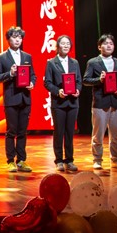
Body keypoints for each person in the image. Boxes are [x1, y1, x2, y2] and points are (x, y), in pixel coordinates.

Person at [0, 26, 36, 173]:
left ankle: (21, 160)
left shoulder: (27, 57)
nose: (17, 40)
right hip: (11, 98)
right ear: (8, 39)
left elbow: (33, 75)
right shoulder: (1, 57)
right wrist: (10, 74)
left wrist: (32, 83)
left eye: (20, 37)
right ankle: (10, 160)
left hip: (25, 98)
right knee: (11, 131)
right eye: (14, 37)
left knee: (23, 131)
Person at [83, 34, 117, 170]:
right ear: (99, 46)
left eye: (111, 43)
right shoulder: (93, 62)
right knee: (98, 135)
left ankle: (116, 159)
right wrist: (99, 80)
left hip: (116, 102)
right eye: (106, 43)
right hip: (100, 103)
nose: (109, 45)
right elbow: (86, 80)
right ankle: (97, 160)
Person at [43, 35, 82, 172]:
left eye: (68, 44)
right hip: (59, 102)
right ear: (58, 46)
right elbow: (47, 82)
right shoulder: (51, 63)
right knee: (59, 132)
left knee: (70, 132)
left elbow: (79, 81)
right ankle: (59, 160)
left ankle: (69, 160)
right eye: (63, 43)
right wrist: (57, 91)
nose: (65, 46)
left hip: (72, 102)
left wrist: (78, 90)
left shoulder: (75, 63)